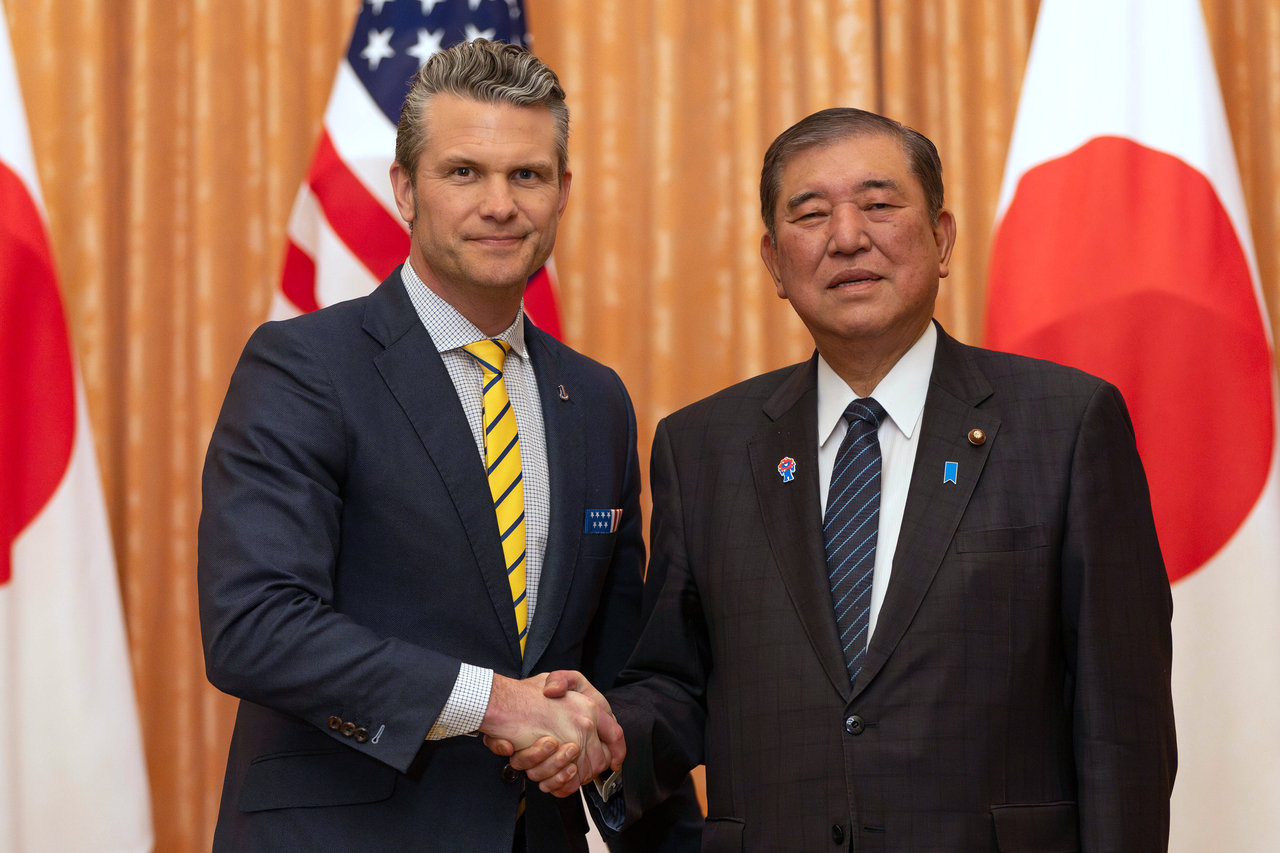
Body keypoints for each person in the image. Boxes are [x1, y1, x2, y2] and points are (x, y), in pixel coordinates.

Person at [507, 108, 1176, 851]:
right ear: (774, 262)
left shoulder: (1067, 423)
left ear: (943, 237)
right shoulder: (704, 448)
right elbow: (675, 683)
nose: (848, 236)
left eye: (881, 204)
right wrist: (603, 736)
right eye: (812, 213)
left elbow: (1123, 726)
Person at [198, 40, 698, 853]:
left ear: (563, 192)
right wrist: (497, 701)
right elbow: (254, 625)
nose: (499, 204)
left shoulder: (597, 399)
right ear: (404, 188)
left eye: (527, 175)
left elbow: (620, 661)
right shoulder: (305, 366)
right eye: (464, 171)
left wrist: (595, 736)